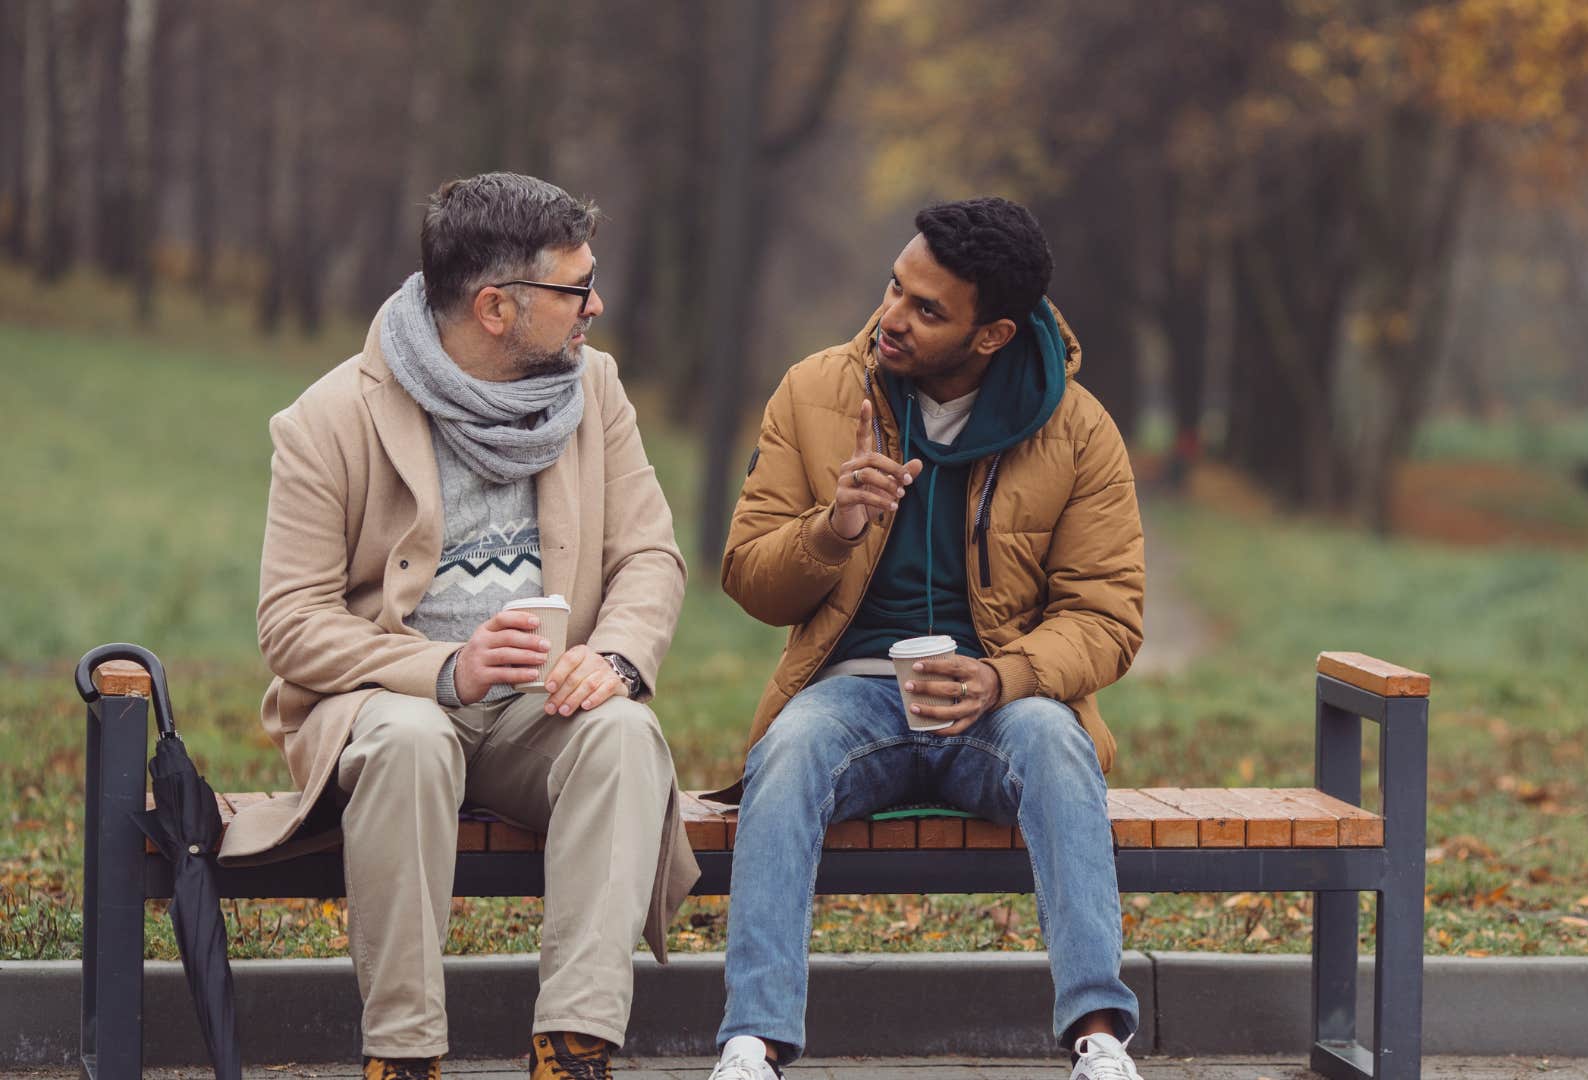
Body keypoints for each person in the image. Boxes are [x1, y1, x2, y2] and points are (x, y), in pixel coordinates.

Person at [222, 172, 699, 1080]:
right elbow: (291, 624)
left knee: (627, 736)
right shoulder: (331, 419)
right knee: (410, 743)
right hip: (387, 705)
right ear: (494, 307)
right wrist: (448, 668)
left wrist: (616, 658)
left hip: (538, 711)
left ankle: (574, 1045)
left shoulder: (593, 391)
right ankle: (402, 1056)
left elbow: (650, 557)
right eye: (575, 289)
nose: (596, 305)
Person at [706, 197, 1147, 1079]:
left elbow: (1109, 616)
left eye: (928, 309)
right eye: (894, 289)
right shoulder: (816, 391)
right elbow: (748, 576)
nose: (893, 319)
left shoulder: (1077, 429)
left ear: (992, 335)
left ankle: (1100, 1038)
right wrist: (831, 530)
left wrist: (1004, 676)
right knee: (784, 755)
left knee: (1059, 748)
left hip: (999, 699)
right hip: (849, 693)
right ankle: (751, 1042)